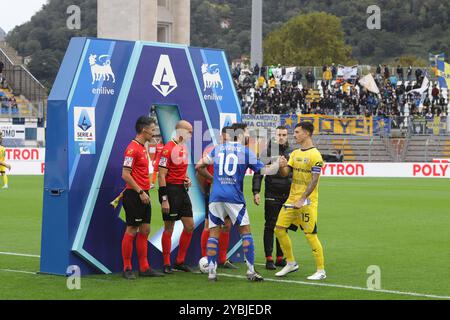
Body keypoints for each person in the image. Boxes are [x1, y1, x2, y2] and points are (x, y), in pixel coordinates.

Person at [196, 123, 283, 282]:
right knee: (245, 232)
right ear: (240, 134)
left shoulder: (218, 149)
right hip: (234, 197)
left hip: (216, 197)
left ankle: (212, 273)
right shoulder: (245, 152)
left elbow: (199, 166)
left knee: (213, 233)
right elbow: (264, 170)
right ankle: (250, 271)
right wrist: (278, 164)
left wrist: (213, 180)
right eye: (246, 133)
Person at [274, 121, 326, 280]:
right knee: (279, 229)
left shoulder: (315, 155)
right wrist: (282, 166)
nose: (294, 135)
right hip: (292, 199)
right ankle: (291, 263)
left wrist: (302, 199)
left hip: (307, 202)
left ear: (307, 133)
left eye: (297, 132)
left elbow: (314, 180)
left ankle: (321, 271)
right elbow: (285, 174)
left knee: (310, 235)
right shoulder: (295, 153)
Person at [121, 116, 164, 279]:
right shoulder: (132, 149)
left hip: (143, 194)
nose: (154, 133)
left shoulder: (142, 148)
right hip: (134, 195)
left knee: (145, 229)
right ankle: (127, 267)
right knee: (132, 229)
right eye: (153, 129)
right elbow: (125, 174)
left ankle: (144, 268)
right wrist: (140, 191)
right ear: (144, 129)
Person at [252, 126, 295, 270]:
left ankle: (280, 257)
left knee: (283, 227)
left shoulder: (292, 152)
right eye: (279, 134)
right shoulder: (268, 152)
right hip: (271, 194)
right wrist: (256, 191)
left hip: (288, 195)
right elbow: (258, 173)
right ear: (275, 136)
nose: (281, 137)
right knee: (270, 226)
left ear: (287, 136)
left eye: (284, 134)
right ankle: (269, 258)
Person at [198, 126, 237, 269]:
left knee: (226, 226)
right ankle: (205, 259)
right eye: (225, 138)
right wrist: (213, 181)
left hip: (230, 193)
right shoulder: (211, 151)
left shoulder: (236, 153)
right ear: (221, 137)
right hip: (214, 193)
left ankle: (222, 259)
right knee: (209, 225)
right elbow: (198, 169)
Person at [158, 120, 195, 274]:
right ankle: (166, 263)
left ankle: (180, 261)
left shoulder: (183, 148)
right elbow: (161, 176)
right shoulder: (168, 149)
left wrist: (187, 179)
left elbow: (179, 171)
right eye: (189, 132)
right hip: (170, 192)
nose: (191, 135)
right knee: (169, 227)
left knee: (190, 226)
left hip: (182, 190)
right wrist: (164, 199)